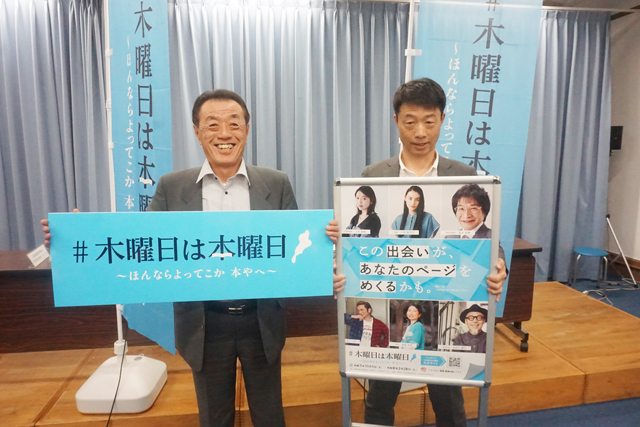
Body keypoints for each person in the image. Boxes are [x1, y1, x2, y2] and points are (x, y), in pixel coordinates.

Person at [43, 89, 338, 427]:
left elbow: (294, 247)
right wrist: (77, 237)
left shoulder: (276, 182)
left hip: (261, 320)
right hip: (204, 323)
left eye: (234, 124)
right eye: (212, 124)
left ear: (247, 130)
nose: (224, 133)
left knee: (270, 415)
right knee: (214, 418)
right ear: (197, 132)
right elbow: (140, 246)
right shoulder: (172, 187)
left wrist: (325, 243)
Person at [327, 77, 507, 427]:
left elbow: (486, 236)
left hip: (443, 292)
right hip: (391, 289)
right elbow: (359, 240)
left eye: (429, 121)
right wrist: (338, 244)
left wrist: (498, 263)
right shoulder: (374, 174)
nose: (420, 132)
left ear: (442, 120)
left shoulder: (463, 174)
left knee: (448, 400)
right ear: (396, 121)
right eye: (410, 122)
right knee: (379, 397)